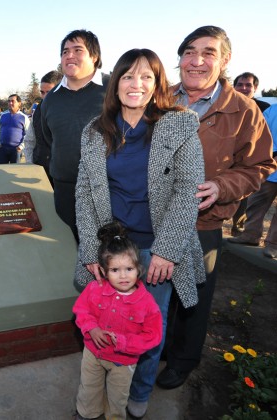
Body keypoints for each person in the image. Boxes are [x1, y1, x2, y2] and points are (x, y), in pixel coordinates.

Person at [75, 48, 206, 418]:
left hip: (155, 248)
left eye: (147, 76)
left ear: (157, 83)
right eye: (129, 76)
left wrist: (167, 250)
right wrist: (89, 249)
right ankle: (102, 385)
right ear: (115, 83)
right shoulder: (95, 131)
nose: (137, 84)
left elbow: (188, 190)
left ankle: (140, 390)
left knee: (148, 326)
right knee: (104, 318)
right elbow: (83, 192)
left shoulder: (179, 125)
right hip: (111, 247)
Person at [159, 25, 276, 394]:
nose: (196, 61)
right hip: (154, 219)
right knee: (155, 290)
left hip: (202, 222)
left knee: (192, 297)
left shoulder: (244, 111)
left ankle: (182, 360)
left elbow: (260, 166)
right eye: (189, 51)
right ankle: (155, 349)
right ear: (179, 58)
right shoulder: (157, 98)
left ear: (225, 60)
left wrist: (222, 187)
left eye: (209, 52)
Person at [73, 221, 162, 420]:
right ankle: (87, 414)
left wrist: (125, 343)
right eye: (115, 270)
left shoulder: (147, 303)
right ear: (104, 271)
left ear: (139, 268)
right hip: (93, 354)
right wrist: (92, 329)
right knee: (88, 389)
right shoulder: (94, 288)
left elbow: (153, 336)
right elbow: (81, 310)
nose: (123, 276)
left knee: (117, 398)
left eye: (129, 268)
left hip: (123, 362)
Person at [41, 29, 109, 240]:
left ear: (94, 57)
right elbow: (49, 138)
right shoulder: (51, 98)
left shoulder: (115, 88)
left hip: (109, 188)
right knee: (69, 250)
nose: (69, 55)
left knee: (111, 255)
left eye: (77, 50)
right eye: (65, 51)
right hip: (65, 189)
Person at [228, 103, 277, 258]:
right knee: (256, 203)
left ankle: (273, 244)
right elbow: (259, 131)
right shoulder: (272, 109)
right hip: (269, 166)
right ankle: (250, 235)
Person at [230, 72, 271, 235]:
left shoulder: (264, 108)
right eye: (240, 84)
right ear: (234, 87)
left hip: (249, 158)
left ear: (255, 88)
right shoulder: (224, 104)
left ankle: (238, 226)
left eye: (248, 85)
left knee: (245, 193)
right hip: (224, 156)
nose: (244, 88)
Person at [23, 70, 62, 177]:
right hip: (39, 169)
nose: (44, 96)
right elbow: (30, 140)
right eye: (42, 92)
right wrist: (30, 164)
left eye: (48, 92)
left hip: (62, 174)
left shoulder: (70, 112)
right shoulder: (37, 111)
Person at [0, 94, 29, 164]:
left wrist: (20, 147)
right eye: (9, 101)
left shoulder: (24, 117)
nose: (10, 103)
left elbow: (28, 134)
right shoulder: (3, 116)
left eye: (13, 101)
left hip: (16, 150)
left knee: (13, 170)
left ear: (19, 103)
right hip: (3, 149)